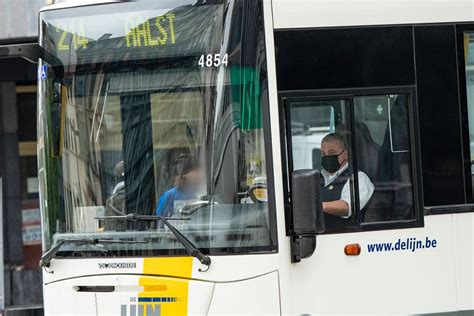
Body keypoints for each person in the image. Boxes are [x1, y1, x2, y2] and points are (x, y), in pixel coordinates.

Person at [320, 133, 374, 225]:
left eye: (332, 153)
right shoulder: (317, 178)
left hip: (344, 235)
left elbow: (346, 207)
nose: (327, 157)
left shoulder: (358, 178)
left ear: (345, 154)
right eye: (323, 154)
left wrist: (317, 206)